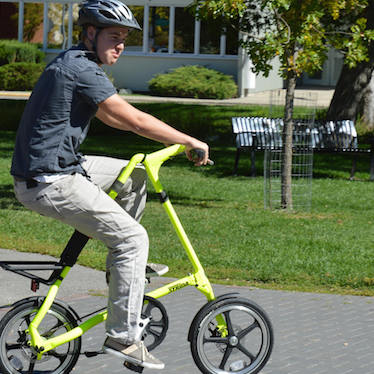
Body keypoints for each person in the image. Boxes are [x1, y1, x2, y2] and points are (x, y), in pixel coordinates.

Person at [10, 0, 209, 370]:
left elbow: (109, 114)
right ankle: (123, 338)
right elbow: (131, 119)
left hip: (59, 168)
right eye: (113, 36)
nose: (120, 45)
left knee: (132, 175)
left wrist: (161, 139)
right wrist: (187, 141)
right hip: (50, 180)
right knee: (133, 239)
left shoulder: (76, 63)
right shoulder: (80, 68)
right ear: (90, 33)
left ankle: (122, 270)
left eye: (124, 39)